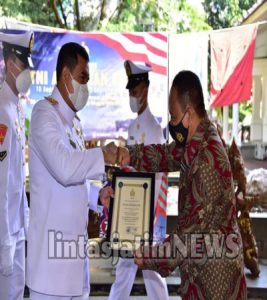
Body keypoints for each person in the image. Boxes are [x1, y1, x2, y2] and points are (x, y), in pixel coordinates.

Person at [117, 71, 247, 299]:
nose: (172, 124)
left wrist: (148, 256)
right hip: (200, 271)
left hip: (215, 283)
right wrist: (129, 155)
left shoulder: (208, 160)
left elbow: (187, 237)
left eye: (174, 116)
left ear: (188, 114)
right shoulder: (199, 136)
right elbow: (168, 155)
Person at [27, 42, 115, 299]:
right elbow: (64, 168)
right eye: (82, 78)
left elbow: (75, 180)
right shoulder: (45, 114)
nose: (86, 87)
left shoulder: (74, 124)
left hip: (74, 262)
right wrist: (103, 155)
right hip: (50, 272)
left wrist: (96, 197)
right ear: (66, 77)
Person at [108, 60, 169, 300]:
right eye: (130, 91)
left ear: (145, 88)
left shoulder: (154, 130)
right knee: (125, 268)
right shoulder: (133, 127)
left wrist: (151, 221)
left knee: (152, 271)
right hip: (131, 212)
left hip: (149, 215)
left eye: (135, 90)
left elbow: (159, 177)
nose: (132, 95)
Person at [0, 30, 34, 300]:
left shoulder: (17, 108)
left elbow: (17, 176)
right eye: (24, 66)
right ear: (11, 64)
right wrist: (4, 240)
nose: (28, 73)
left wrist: (26, 221)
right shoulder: (1, 110)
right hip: (5, 231)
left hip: (16, 226)